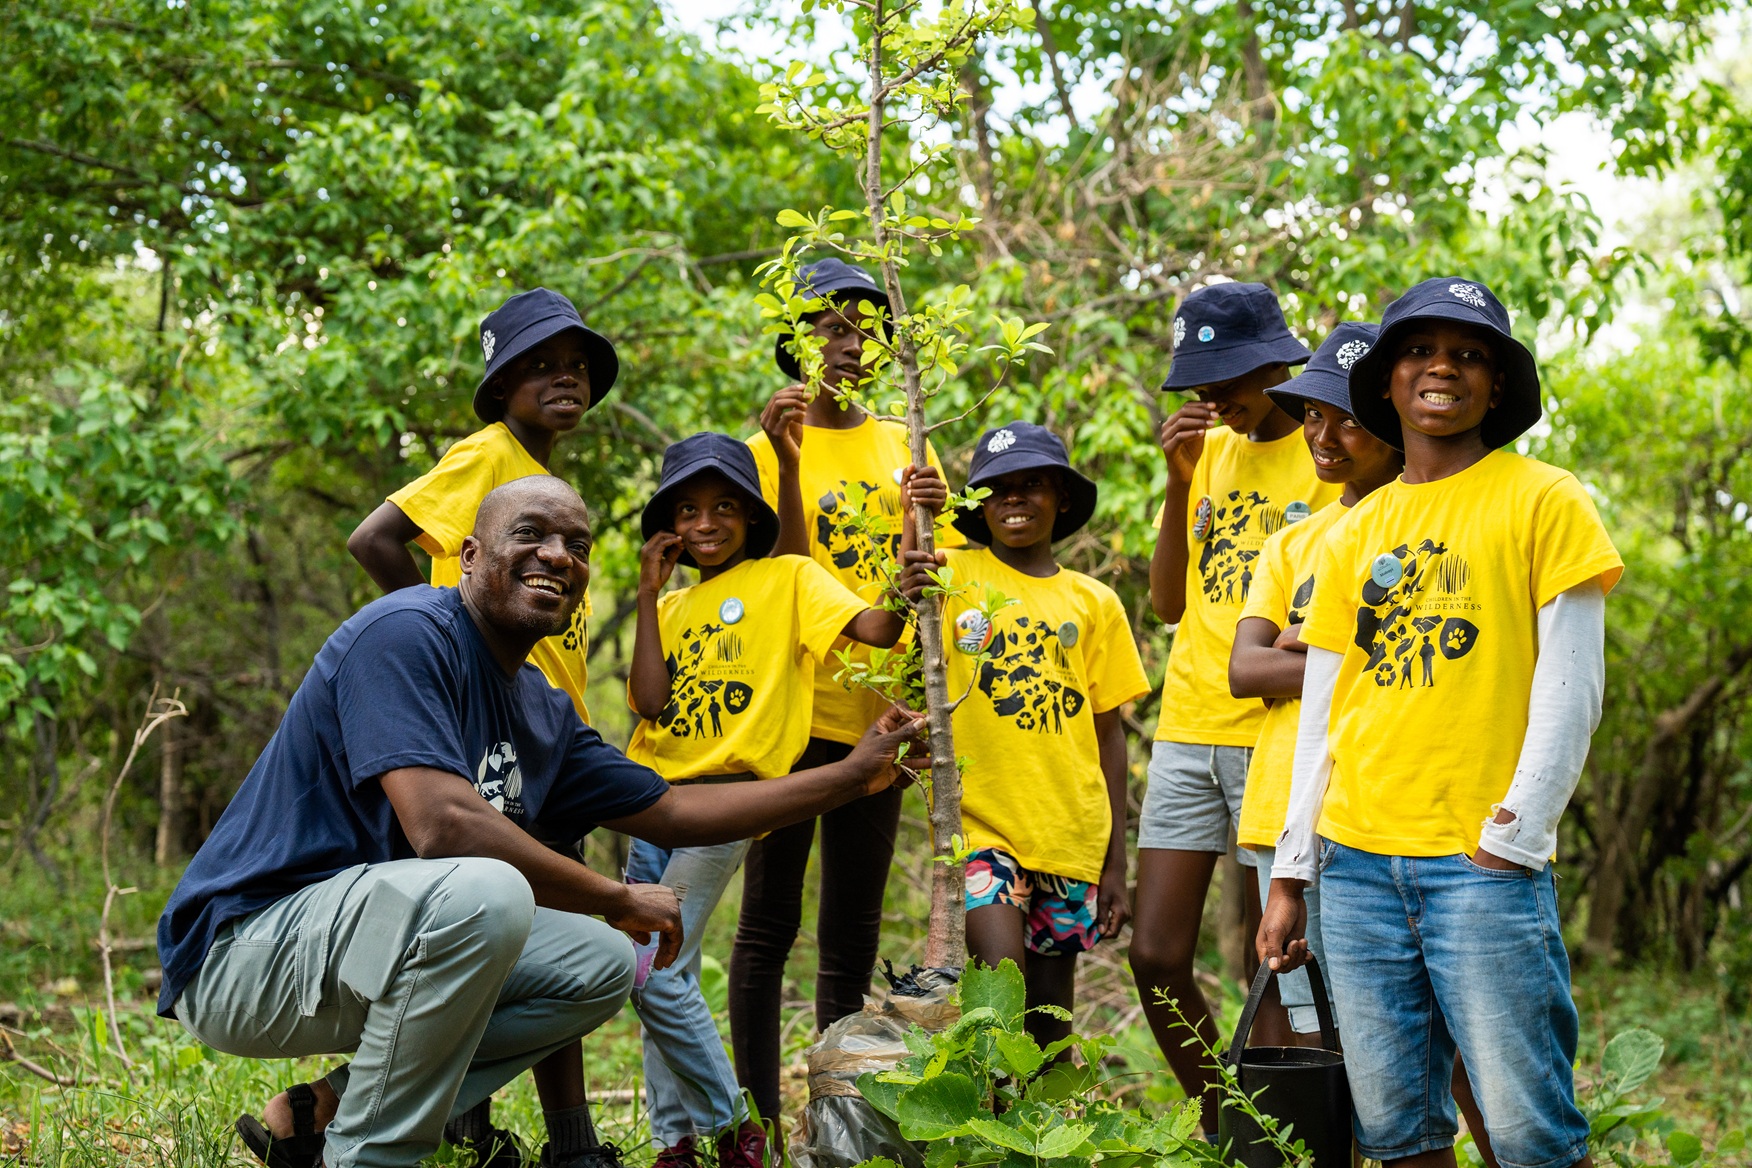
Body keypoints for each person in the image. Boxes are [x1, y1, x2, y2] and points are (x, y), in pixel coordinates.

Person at [157, 476, 924, 1168]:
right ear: (469, 554)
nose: (557, 555)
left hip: (362, 951)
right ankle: (374, 1158)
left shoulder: (541, 709)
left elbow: (674, 808)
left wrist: (852, 775)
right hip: (244, 955)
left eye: (578, 545)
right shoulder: (405, 633)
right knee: (488, 891)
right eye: (532, 534)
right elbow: (443, 827)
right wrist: (613, 895)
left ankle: (330, 1117)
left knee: (600, 965)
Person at [1259, 278, 1623, 1168]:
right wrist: (1293, 868)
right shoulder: (1353, 531)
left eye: (1468, 355)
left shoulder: (1545, 499)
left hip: (1481, 868)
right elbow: (1324, 712)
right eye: (1420, 351)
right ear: (1385, 381)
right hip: (1355, 871)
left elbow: (1572, 689)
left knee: (1530, 1129)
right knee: (1396, 1130)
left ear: (1496, 387)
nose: (1442, 370)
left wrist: (1514, 836)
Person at [346, 288, 616, 1166]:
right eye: (539, 366)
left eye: (575, 366)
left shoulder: (545, 476)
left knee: (544, 930)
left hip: (550, 731)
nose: (563, 379)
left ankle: (471, 1120)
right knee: (529, 914)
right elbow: (374, 538)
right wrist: (445, 651)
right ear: (501, 386)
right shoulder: (486, 455)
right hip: (499, 730)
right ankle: (568, 1143)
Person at [623, 433, 926, 1168]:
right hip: (650, 798)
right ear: (669, 526)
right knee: (660, 971)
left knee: (655, 970)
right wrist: (645, 592)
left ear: (753, 516)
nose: (706, 523)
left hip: (727, 801)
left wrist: (907, 572)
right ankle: (674, 1142)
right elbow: (648, 703)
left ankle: (734, 1130)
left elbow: (879, 631)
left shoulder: (790, 577)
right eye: (688, 510)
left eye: (725, 506)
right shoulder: (675, 602)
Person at [733, 257, 961, 1124]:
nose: (847, 339)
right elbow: (782, 572)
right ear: (796, 339)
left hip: (879, 714)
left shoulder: (904, 440)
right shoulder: (758, 450)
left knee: (850, 935)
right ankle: (753, 1127)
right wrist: (787, 463)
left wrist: (930, 514)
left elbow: (921, 580)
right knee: (765, 930)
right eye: (828, 323)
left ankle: (834, 1120)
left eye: (862, 325)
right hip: (790, 715)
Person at [1129, 282, 1341, 1122]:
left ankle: (1302, 1137)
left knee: (1283, 965)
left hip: (1277, 735)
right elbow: (1171, 603)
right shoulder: (1211, 451)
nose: (1215, 400)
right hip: (1187, 724)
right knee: (1154, 953)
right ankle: (1231, 1123)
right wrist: (1179, 482)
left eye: (1228, 381)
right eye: (1201, 387)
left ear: (1279, 359)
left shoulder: (1329, 451)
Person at [898, 423, 1151, 1051]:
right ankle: (987, 1121)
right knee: (998, 991)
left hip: (1069, 834)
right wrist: (913, 518)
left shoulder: (1094, 602)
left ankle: (1034, 1140)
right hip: (981, 828)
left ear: (1061, 496)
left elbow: (1109, 737)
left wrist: (1116, 865)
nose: (1015, 499)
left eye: (1031, 484)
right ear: (978, 504)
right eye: (997, 488)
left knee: (1045, 1020)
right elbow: (913, 657)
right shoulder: (953, 573)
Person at [1227, 321, 1396, 1041]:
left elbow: (1400, 667)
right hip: (1282, 800)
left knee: (1393, 1025)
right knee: (1314, 1025)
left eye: (1348, 421)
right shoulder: (1292, 541)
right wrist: (1342, 646)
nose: (1323, 436)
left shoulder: (1415, 524)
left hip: (1375, 802)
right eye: (1314, 416)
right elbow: (1244, 669)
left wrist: (1314, 642)